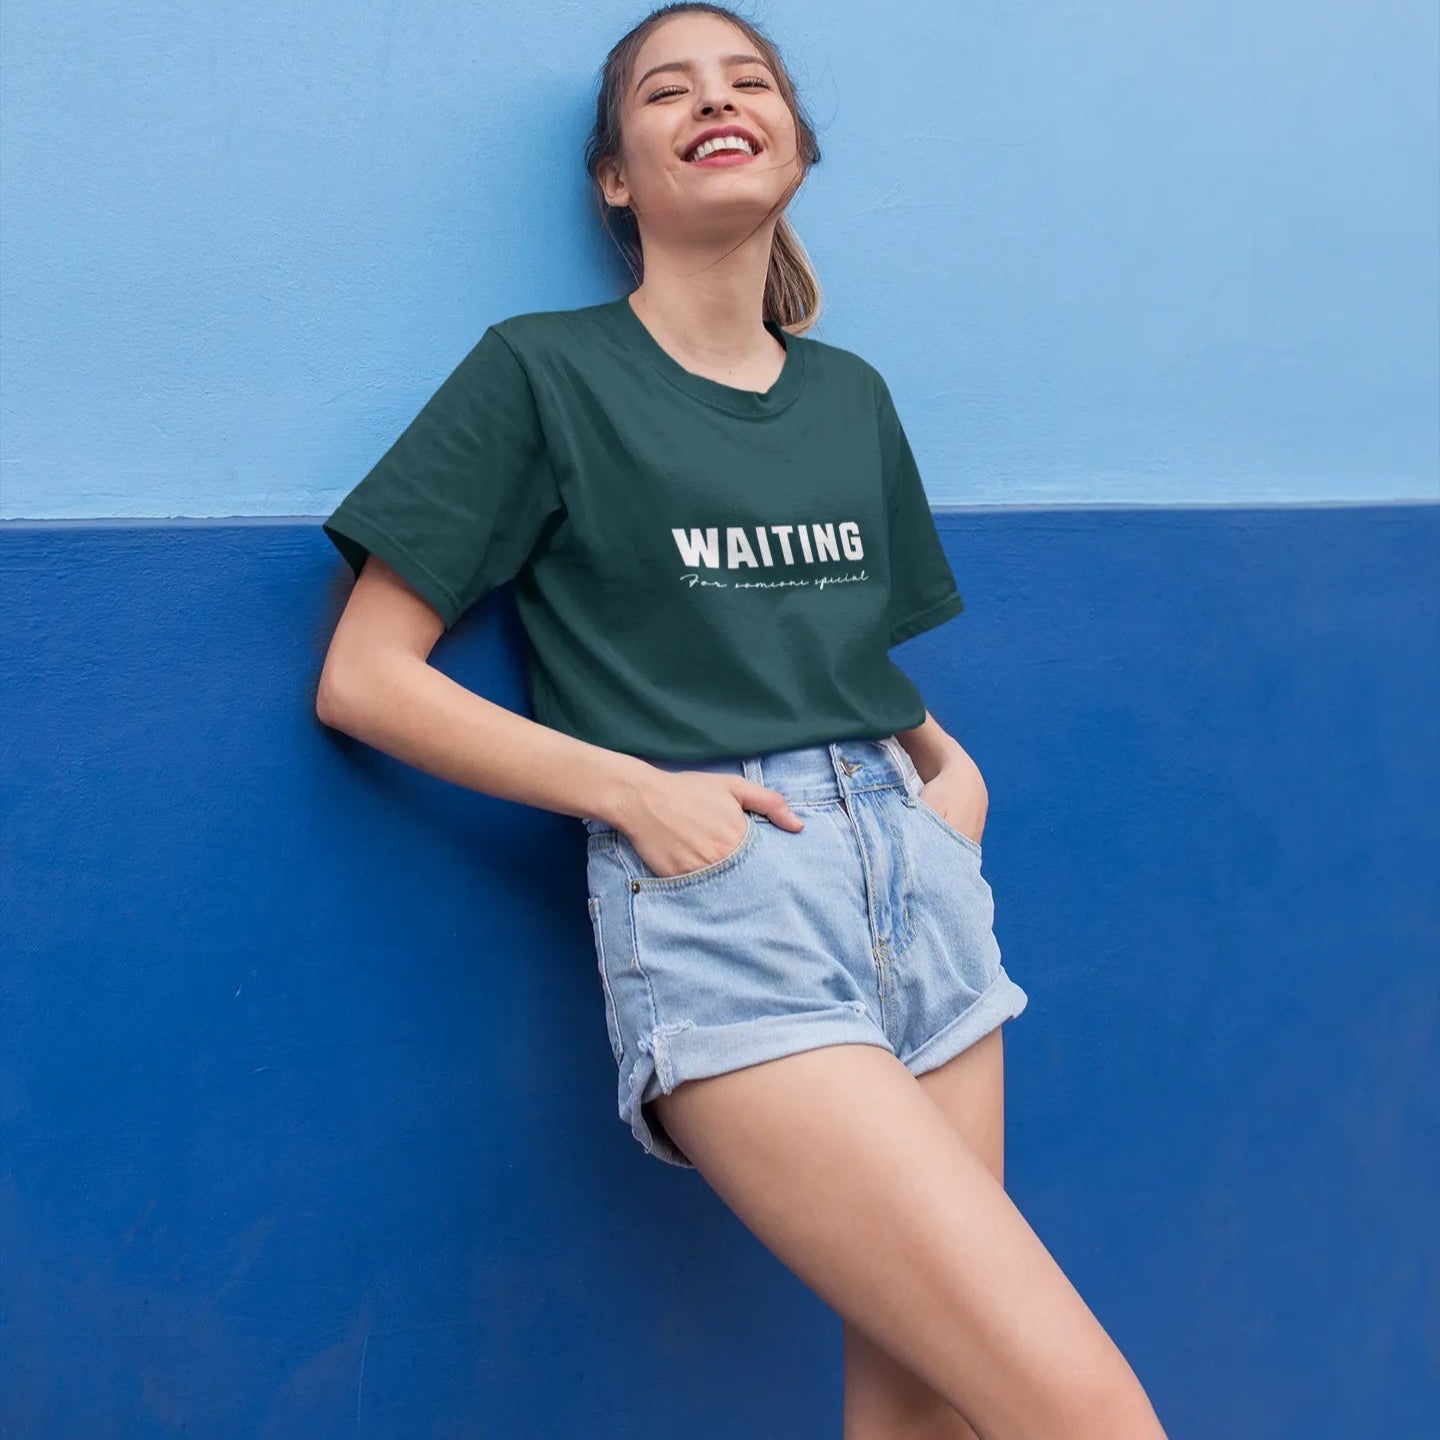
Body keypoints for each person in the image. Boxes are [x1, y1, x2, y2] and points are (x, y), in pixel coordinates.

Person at [316, 5, 1167, 1436]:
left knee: (925, 1412)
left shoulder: (849, 396)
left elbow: (835, 653)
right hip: (733, 900)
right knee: (1083, 1408)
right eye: (667, 92)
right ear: (616, 177)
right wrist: (636, 793)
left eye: (747, 80)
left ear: (796, 147)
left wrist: (946, 776)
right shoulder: (545, 371)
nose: (715, 101)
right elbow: (364, 676)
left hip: (920, 887)